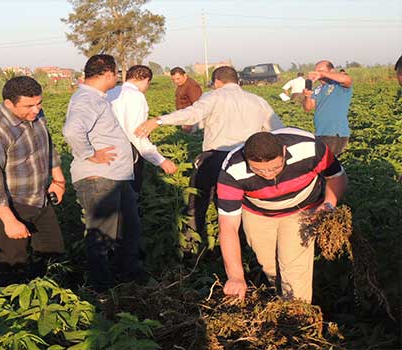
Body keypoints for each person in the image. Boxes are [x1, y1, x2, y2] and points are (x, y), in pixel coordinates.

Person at [135, 66, 283, 251]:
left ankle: (193, 246)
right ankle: (247, 246)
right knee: (244, 203)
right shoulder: (258, 101)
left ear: (217, 82)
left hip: (216, 157)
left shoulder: (213, 96)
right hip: (247, 159)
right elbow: (277, 131)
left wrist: (158, 121)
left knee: (198, 199)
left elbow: (192, 114)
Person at [216, 128, 348, 302]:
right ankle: (280, 300)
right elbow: (228, 226)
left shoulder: (308, 148)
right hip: (259, 213)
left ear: (284, 151)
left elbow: (336, 176)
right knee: (269, 265)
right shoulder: (233, 169)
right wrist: (235, 277)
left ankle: (297, 315)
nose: (269, 174)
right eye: (259, 170)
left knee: (293, 268)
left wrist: (328, 204)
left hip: (303, 209)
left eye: (275, 167)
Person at [0, 76, 66, 286]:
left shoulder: (35, 115)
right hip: (6, 205)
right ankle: (13, 312)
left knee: (52, 251)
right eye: (28, 106)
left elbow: (47, 145)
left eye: (39, 103)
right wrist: (10, 221)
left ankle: (46, 299)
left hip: (37, 197)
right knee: (13, 265)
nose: (36, 110)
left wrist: (58, 180)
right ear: (8, 104)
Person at [63, 54, 145, 292]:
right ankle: (102, 289)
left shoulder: (97, 98)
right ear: (108, 73)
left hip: (116, 177)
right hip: (99, 177)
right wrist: (90, 154)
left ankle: (129, 279)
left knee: (129, 229)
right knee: (102, 234)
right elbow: (72, 131)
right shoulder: (86, 98)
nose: (118, 77)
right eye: (117, 73)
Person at [107, 65, 177, 193]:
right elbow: (136, 134)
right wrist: (161, 160)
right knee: (130, 197)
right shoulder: (136, 96)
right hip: (127, 154)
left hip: (107, 152)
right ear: (145, 80)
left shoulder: (111, 92)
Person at [303, 60, 353, 156]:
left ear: (332, 71)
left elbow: (347, 79)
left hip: (334, 133)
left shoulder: (338, 85)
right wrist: (307, 96)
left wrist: (321, 74)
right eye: (316, 71)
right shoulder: (318, 89)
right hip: (320, 131)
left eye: (321, 70)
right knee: (323, 164)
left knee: (326, 164)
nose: (318, 73)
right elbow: (308, 108)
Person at [170, 67, 203, 133]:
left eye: (178, 78)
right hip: (185, 117)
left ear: (184, 75)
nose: (176, 81)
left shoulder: (191, 86)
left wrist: (190, 122)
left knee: (193, 139)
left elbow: (197, 105)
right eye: (173, 79)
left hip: (192, 120)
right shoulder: (182, 84)